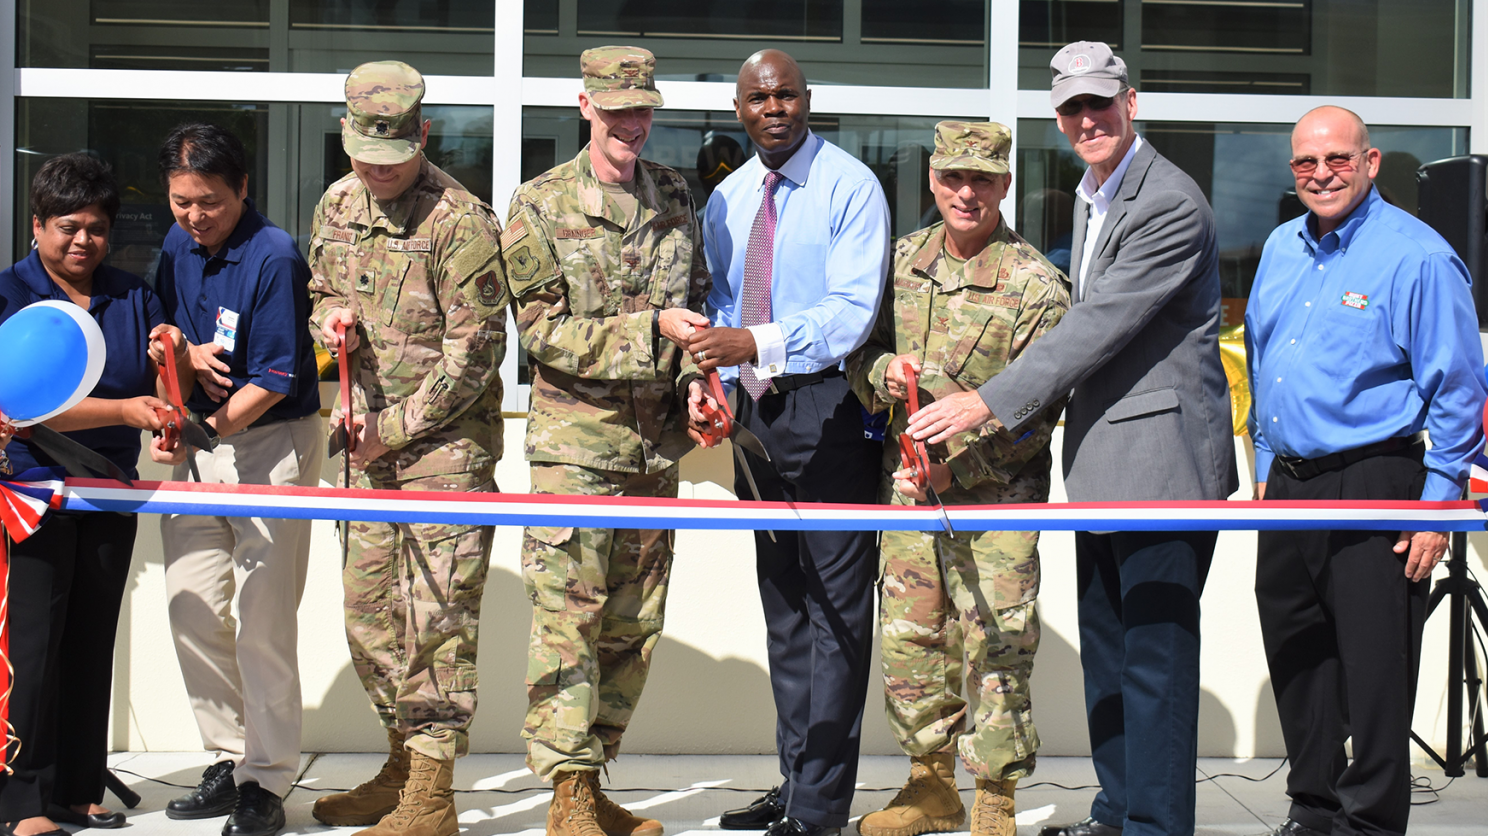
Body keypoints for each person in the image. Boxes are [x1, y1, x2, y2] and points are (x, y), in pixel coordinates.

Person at [905, 42, 1238, 836]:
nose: (1087, 119)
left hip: (1162, 468)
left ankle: (1156, 827)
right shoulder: (1097, 192)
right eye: (1072, 109)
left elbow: (1095, 327)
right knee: (1111, 656)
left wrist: (986, 402)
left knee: (1153, 663)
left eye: (1101, 103)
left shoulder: (1168, 201)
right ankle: (1121, 811)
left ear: (1132, 103)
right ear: (1057, 118)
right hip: (1104, 465)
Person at [1246, 106, 1487, 836]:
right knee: (1298, 650)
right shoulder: (1281, 247)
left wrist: (1436, 506)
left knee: (1376, 665)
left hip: (1377, 480)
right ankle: (1312, 809)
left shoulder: (1418, 256)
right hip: (1286, 486)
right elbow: (1262, 358)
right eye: (1306, 163)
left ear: (1372, 162)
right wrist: (1261, 462)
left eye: (1338, 160)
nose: (1321, 174)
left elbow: (1460, 390)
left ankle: (1371, 822)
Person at [501, 45, 709, 836]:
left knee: (633, 623)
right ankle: (567, 795)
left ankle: (595, 775)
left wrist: (698, 382)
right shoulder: (539, 203)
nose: (632, 124)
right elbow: (543, 331)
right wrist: (653, 332)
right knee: (567, 618)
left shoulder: (675, 195)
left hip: (656, 454)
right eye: (616, 110)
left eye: (643, 109)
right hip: (576, 453)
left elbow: (696, 305)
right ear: (584, 107)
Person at [847, 122, 1069, 836]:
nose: (966, 193)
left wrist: (960, 463)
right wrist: (885, 373)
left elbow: (1039, 408)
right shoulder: (902, 260)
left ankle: (995, 793)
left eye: (982, 179)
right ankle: (929, 783)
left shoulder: (1036, 284)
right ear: (934, 180)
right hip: (910, 494)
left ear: (1005, 184)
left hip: (996, 501)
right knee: (915, 640)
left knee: (999, 643)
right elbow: (857, 354)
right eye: (953, 178)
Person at [692, 48, 890, 836]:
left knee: (836, 615)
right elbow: (716, 306)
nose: (772, 107)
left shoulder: (850, 187)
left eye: (785, 94)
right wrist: (713, 384)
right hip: (754, 420)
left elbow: (852, 314)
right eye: (756, 98)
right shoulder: (729, 197)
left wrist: (757, 345)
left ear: (807, 101)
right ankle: (795, 781)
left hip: (830, 411)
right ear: (739, 110)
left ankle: (819, 810)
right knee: (783, 611)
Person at [308, 61, 507, 836]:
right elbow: (325, 289)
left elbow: (476, 355)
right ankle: (399, 767)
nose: (374, 173)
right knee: (369, 618)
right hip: (363, 447)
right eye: (361, 155)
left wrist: (392, 427)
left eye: (390, 160)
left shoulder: (461, 221)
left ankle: (432, 797)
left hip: (443, 454)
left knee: (438, 620)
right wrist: (331, 326)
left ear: (422, 137)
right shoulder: (337, 203)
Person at [0, 153, 182, 836]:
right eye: (67, 227)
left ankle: (77, 789)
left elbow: (163, 378)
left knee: (90, 639)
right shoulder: (8, 296)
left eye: (97, 228)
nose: (83, 241)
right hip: (31, 492)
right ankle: (22, 801)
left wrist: (169, 400)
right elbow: (21, 405)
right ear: (38, 225)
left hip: (110, 491)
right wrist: (125, 411)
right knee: (32, 647)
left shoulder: (132, 294)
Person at [153, 123, 323, 836]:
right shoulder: (175, 244)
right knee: (191, 603)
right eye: (182, 200)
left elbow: (277, 378)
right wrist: (180, 351)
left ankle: (267, 781)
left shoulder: (275, 256)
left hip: (267, 443)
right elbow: (162, 327)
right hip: (196, 444)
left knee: (262, 619)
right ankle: (227, 755)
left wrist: (206, 429)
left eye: (211, 202)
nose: (196, 215)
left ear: (243, 189)